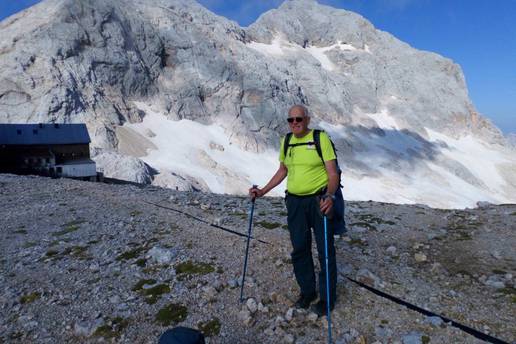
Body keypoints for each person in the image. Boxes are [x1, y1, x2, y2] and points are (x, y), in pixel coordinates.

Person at [249, 105, 339, 316]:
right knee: (299, 248)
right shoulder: (287, 141)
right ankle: (307, 292)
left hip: (319, 200)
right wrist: (263, 191)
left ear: (307, 119)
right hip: (295, 202)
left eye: (298, 119)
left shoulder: (320, 138)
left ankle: (327, 299)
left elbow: (332, 173)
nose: (295, 123)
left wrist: (330, 196)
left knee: (325, 250)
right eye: (290, 120)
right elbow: (283, 170)